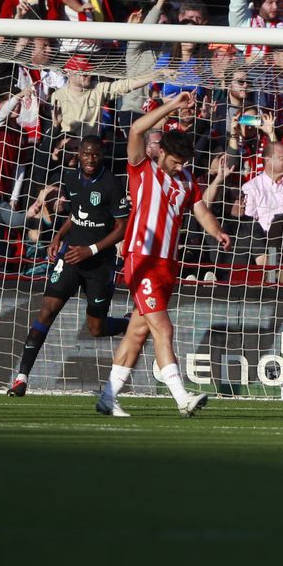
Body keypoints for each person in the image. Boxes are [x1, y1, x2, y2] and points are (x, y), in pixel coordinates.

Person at [96, 93, 232, 418]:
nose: (180, 166)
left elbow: (202, 212)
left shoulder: (188, 182)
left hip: (167, 265)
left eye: (184, 162)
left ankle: (108, 396)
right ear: (162, 152)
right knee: (164, 329)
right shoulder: (142, 169)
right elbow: (135, 132)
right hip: (140, 259)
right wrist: (171, 106)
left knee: (139, 332)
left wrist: (217, 232)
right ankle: (182, 398)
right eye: (175, 160)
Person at [8, 135, 131, 397]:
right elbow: (77, 214)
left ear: (102, 155)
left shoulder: (112, 185)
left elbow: (122, 228)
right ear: (80, 155)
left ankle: (127, 324)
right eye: (86, 154)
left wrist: (92, 249)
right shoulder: (71, 178)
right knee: (46, 310)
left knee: (95, 329)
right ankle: (21, 378)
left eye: (95, 154)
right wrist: (59, 235)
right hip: (71, 256)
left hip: (99, 262)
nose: (90, 159)